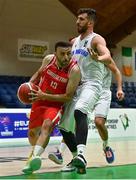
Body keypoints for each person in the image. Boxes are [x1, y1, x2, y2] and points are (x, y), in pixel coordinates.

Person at [48, 8, 121, 174]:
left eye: (81, 19)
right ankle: (76, 159)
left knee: (81, 111)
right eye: (77, 19)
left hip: (93, 84)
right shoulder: (74, 41)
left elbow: (107, 56)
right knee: (64, 127)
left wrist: (98, 58)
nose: (77, 22)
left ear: (90, 23)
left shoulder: (96, 39)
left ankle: (82, 154)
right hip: (77, 86)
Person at [22, 41, 81, 174]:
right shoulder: (48, 60)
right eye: (62, 54)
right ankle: (34, 153)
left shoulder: (74, 70)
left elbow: (68, 97)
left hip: (55, 105)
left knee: (47, 126)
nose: (66, 57)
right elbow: (38, 74)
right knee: (32, 134)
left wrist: (45, 96)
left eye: (69, 54)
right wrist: (29, 85)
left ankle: (34, 158)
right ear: (55, 54)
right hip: (38, 101)